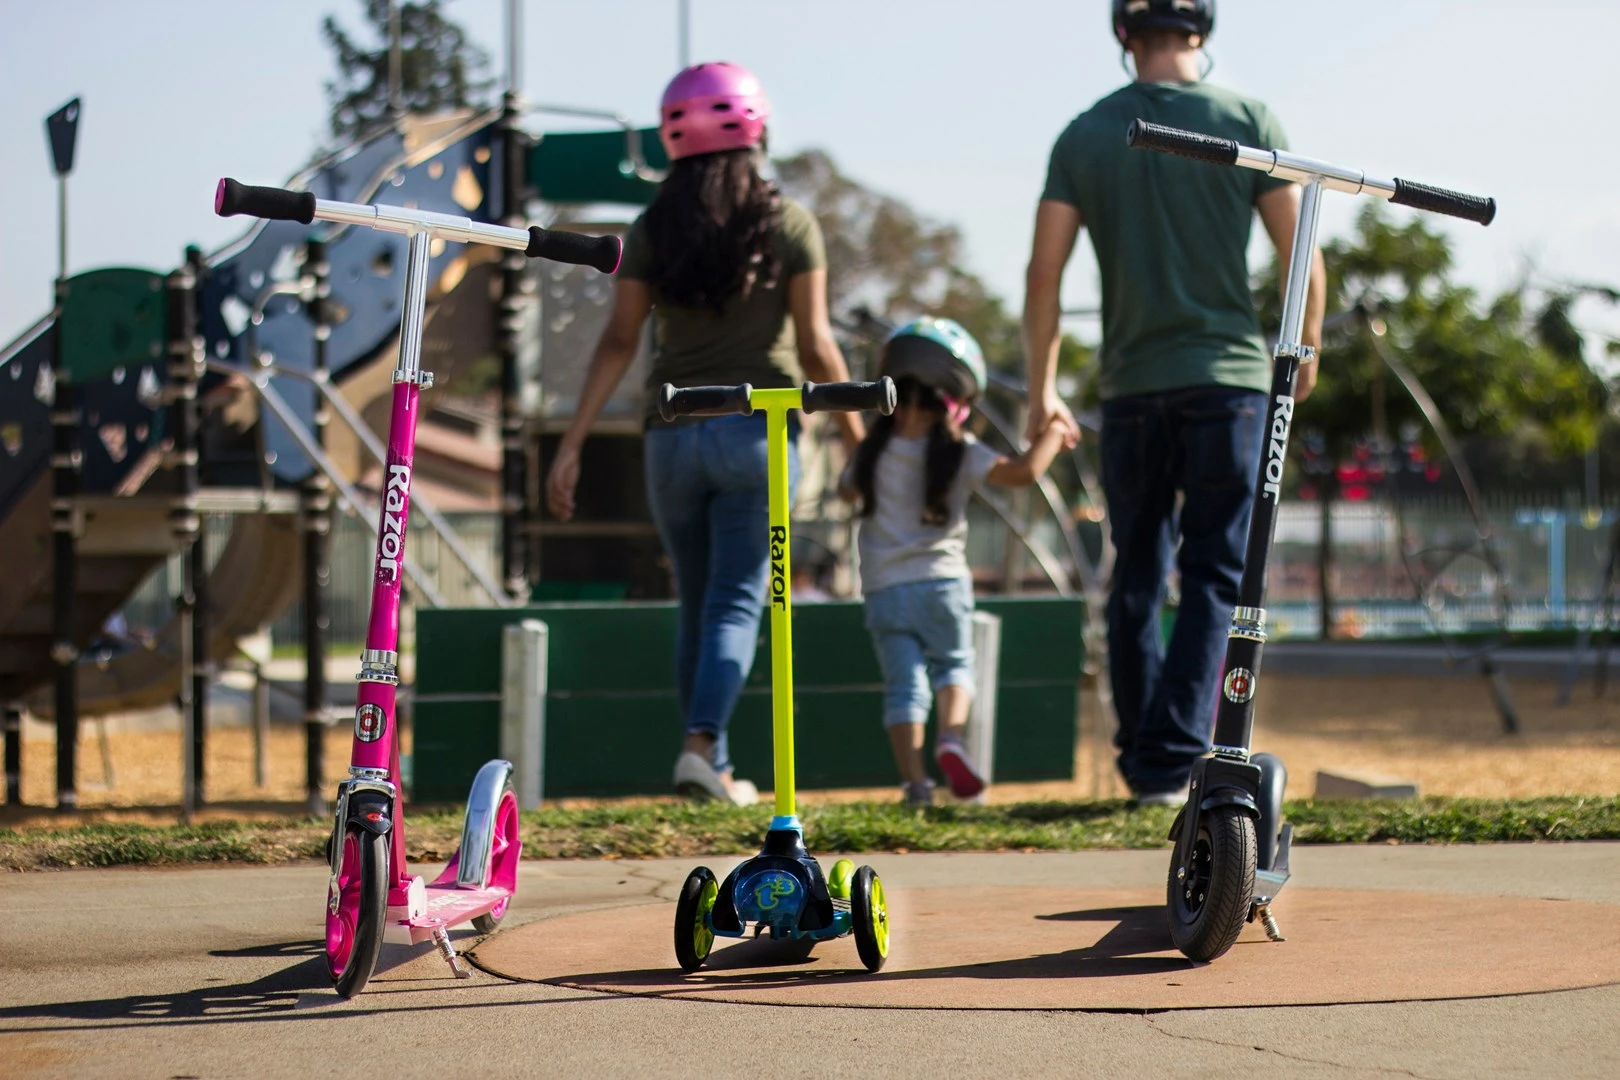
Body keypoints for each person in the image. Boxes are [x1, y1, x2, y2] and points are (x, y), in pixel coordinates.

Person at [1020, 0, 1326, 806]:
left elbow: (1042, 275)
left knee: (1137, 573)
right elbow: (1302, 250)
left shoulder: (1084, 133)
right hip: (1227, 382)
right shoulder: (1246, 117)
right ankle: (1176, 753)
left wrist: (1042, 388)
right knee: (1215, 574)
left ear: (1125, 33)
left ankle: (1148, 763)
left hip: (1129, 389)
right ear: (1203, 28)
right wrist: (1306, 348)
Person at [544, 62, 863, 806]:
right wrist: (856, 439)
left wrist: (572, 442)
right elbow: (818, 346)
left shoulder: (650, 227)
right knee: (734, 602)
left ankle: (704, 759)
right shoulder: (789, 223)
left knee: (696, 600)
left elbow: (619, 339)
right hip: (757, 433)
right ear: (757, 128)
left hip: (671, 438)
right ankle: (702, 747)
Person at [845, 318, 1068, 806]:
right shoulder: (959, 450)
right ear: (954, 397)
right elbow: (1023, 472)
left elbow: (846, 490)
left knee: (904, 686)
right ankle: (950, 738)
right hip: (942, 586)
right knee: (953, 668)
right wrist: (1053, 433)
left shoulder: (871, 451)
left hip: (884, 589)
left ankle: (915, 784)